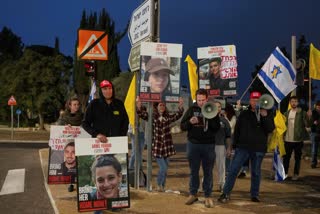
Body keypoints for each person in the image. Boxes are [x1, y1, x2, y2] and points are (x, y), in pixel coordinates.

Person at [218, 91, 275, 203]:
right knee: (233, 170)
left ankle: (254, 195)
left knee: (256, 172)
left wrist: (264, 117)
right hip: (242, 148)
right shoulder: (244, 114)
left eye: (257, 100)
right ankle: (225, 193)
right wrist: (232, 146)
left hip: (258, 149)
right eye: (253, 100)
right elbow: (237, 131)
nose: (255, 102)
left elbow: (270, 129)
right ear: (250, 101)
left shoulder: (267, 113)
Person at [180, 89, 220, 208]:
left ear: (207, 99)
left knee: (208, 172)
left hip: (208, 145)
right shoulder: (192, 110)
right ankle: (193, 194)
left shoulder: (212, 110)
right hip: (193, 145)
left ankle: (208, 196)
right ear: (196, 99)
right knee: (194, 171)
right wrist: (190, 123)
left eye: (203, 100)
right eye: (199, 100)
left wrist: (210, 117)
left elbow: (216, 128)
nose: (201, 102)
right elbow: (182, 126)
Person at [136, 96, 184, 192]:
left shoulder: (167, 116)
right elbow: (142, 114)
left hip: (167, 146)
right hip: (157, 147)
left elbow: (177, 115)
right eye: (160, 105)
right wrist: (138, 105)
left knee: (165, 169)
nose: (162, 107)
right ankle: (158, 184)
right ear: (156, 107)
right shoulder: (152, 116)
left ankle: (163, 186)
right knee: (163, 167)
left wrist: (180, 105)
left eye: (163, 105)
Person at [283, 96, 312, 180]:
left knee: (297, 158)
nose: (294, 103)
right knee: (286, 158)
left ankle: (296, 174)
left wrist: (309, 116)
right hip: (287, 139)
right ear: (290, 103)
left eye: (295, 101)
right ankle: (285, 173)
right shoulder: (286, 113)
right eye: (292, 101)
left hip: (298, 140)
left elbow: (308, 125)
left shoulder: (302, 113)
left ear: (298, 103)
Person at [213, 100, 231, 192]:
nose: (217, 108)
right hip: (209, 146)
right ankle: (205, 184)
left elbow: (228, 136)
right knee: (207, 167)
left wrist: (228, 148)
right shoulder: (208, 118)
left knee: (222, 167)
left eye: (219, 107)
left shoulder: (224, 121)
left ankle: (222, 185)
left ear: (221, 109)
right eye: (215, 106)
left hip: (220, 146)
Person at [311, 101, 320, 168]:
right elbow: (313, 121)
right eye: (318, 106)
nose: (319, 107)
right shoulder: (313, 112)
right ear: (316, 106)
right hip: (314, 132)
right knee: (314, 149)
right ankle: (313, 163)